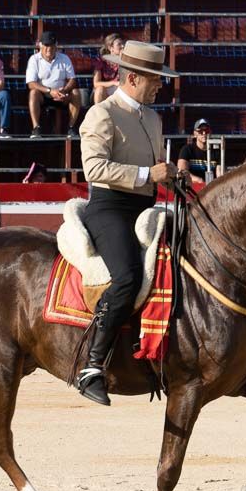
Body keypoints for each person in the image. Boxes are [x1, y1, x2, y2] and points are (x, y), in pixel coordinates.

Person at [76, 40, 178, 405]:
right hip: (110, 209)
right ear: (133, 78)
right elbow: (94, 168)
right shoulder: (101, 114)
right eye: (155, 79)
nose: (159, 85)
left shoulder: (152, 117)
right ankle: (92, 365)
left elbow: (154, 171)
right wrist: (148, 173)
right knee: (128, 277)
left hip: (146, 208)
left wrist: (171, 177)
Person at [26, 32, 81, 138]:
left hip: (62, 95)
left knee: (76, 93)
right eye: (46, 45)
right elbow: (31, 84)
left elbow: (72, 80)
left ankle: (71, 127)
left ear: (56, 45)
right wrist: (50, 91)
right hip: (43, 95)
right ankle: (36, 128)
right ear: (40, 45)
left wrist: (64, 91)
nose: (49, 48)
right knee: (33, 93)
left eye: (51, 45)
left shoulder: (64, 58)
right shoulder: (34, 59)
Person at [92, 33, 124, 104]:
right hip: (104, 90)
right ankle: (99, 113)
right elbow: (96, 83)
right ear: (111, 48)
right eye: (119, 44)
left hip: (118, 89)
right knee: (100, 89)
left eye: (122, 44)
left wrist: (122, 61)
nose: (122, 46)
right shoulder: (101, 61)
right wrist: (113, 83)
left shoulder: (125, 60)